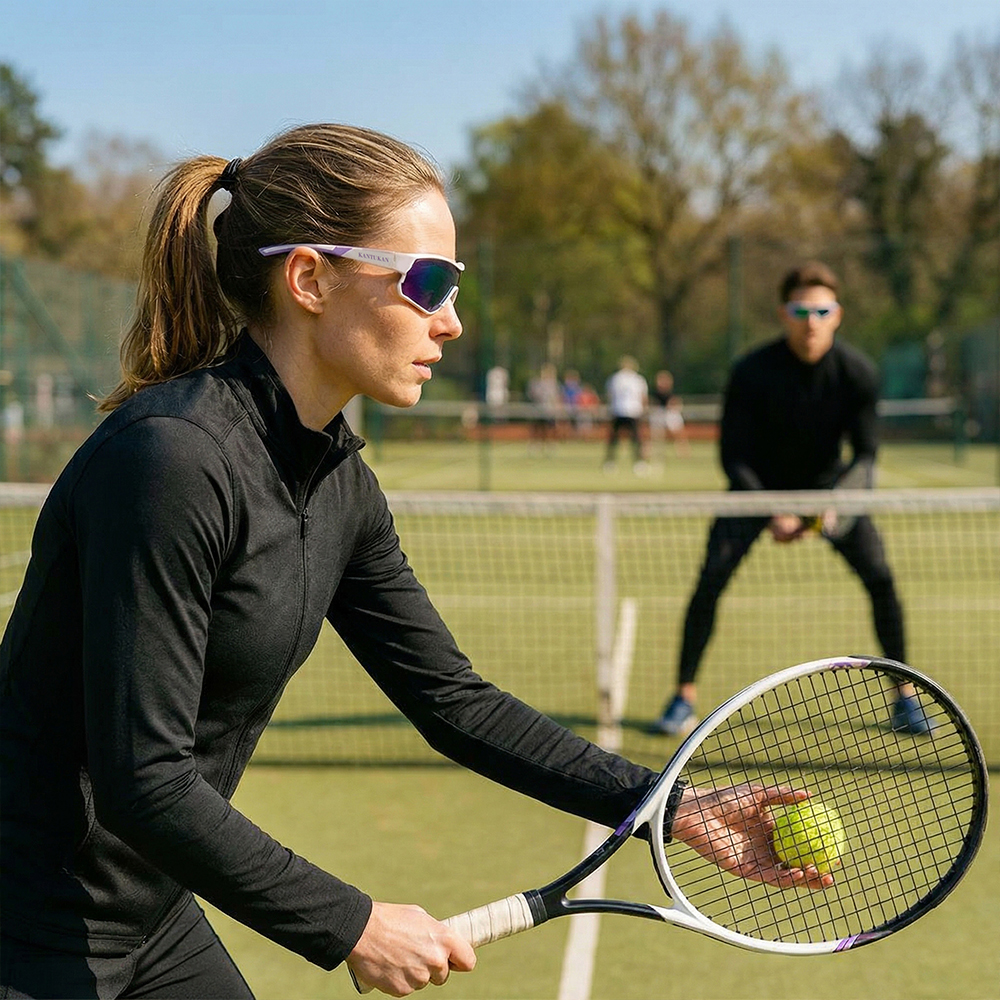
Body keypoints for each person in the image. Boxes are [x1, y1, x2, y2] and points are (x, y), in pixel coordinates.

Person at [0, 126, 830, 1000]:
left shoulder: (337, 478)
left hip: (150, 918)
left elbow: (451, 700)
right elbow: (146, 780)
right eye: (426, 281)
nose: (452, 319)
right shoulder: (171, 462)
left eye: (454, 285)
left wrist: (674, 805)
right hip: (24, 925)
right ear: (311, 279)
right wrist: (350, 922)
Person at [652, 261, 926, 738]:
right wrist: (769, 509)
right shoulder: (751, 372)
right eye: (802, 310)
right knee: (709, 581)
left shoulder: (858, 373)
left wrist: (836, 503)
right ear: (784, 314)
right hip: (754, 492)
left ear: (837, 315)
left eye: (822, 310)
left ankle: (905, 698)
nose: (812, 321)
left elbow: (866, 456)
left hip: (828, 493)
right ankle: (683, 698)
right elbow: (732, 456)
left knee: (881, 579)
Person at [603, 355, 649, 472]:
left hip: (618, 410)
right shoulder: (638, 379)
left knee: (616, 438)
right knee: (635, 438)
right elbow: (643, 397)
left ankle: (610, 462)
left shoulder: (614, 378)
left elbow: (609, 395)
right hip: (633, 411)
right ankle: (638, 463)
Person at [649, 369, 690, 458]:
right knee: (656, 434)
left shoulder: (672, 392)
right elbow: (652, 403)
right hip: (659, 413)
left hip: (670, 412)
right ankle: (655, 452)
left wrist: (673, 406)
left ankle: (683, 451)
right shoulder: (655, 392)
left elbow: (676, 402)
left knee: (678, 431)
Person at [526, 362, 561, 450]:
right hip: (539, 410)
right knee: (537, 428)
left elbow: (556, 397)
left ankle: (550, 445)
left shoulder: (554, 385)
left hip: (549, 411)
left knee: (550, 428)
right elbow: (533, 395)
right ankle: (535, 445)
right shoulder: (537, 383)